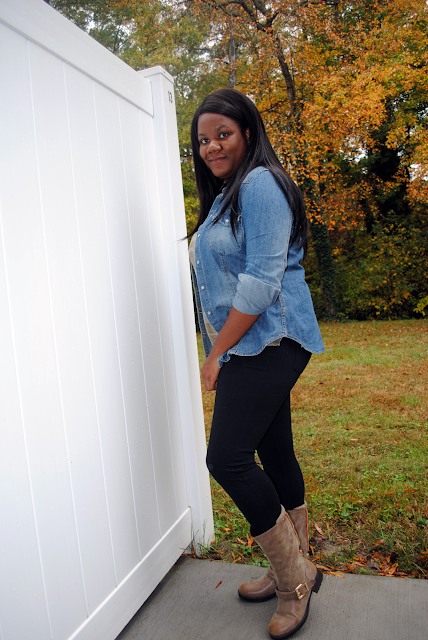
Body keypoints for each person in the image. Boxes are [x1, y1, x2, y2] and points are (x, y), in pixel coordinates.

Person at [188, 88, 324, 640]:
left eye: (223, 133)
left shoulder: (262, 184)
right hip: (253, 341)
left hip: (271, 340)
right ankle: (293, 563)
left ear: (247, 132)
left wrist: (216, 353)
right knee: (273, 450)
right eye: (202, 139)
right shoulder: (227, 193)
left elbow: (262, 282)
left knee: (226, 459)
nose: (212, 146)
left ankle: (294, 578)